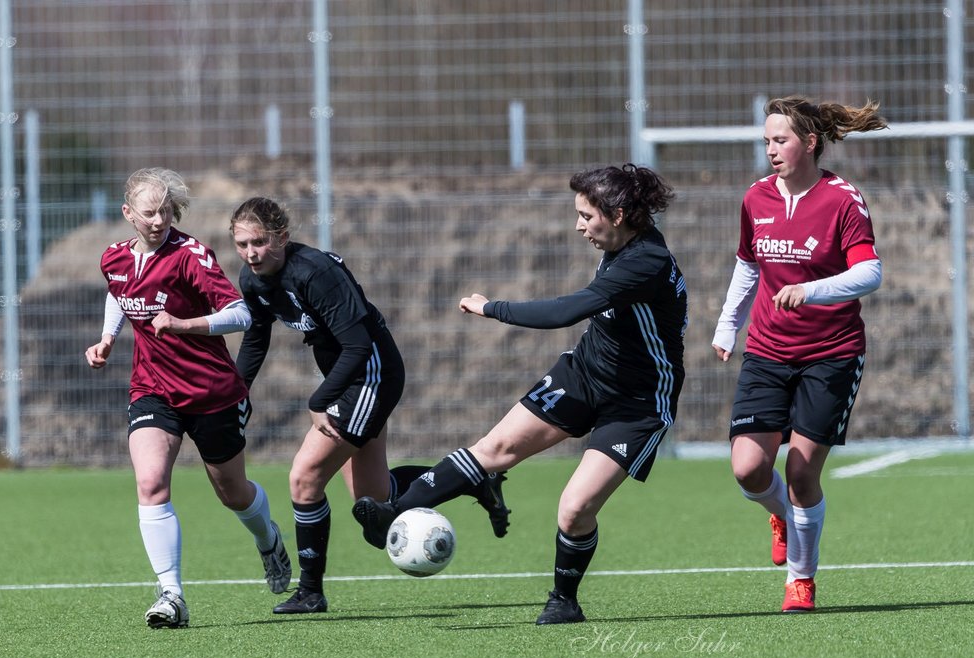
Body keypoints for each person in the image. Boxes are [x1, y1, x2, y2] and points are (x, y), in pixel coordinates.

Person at [353, 164, 686, 625]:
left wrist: (493, 308)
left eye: (586, 216)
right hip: (584, 373)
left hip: (638, 402)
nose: (578, 226)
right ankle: (393, 512)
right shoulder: (619, 240)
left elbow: (567, 310)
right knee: (493, 448)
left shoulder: (645, 262)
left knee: (574, 509)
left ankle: (564, 600)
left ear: (619, 213)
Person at [206, 197, 509, 615]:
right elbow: (257, 338)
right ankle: (472, 479)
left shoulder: (315, 273)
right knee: (374, 501)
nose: (250, 253)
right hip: (348, 378)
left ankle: (311, 591)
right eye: (241, 244)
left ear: (282, 237)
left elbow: (358, 343)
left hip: (371, 375)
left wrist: (320, 399)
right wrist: (236, 391)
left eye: (258, 242)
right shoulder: (254, 280)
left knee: (305, 477)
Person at [84, 167, 291, 629]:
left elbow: (240, 314)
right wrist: (107, 338)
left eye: (167, 211)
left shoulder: (191, 256)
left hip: (211, 391)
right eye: (149, 212)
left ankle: (268, 540)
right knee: (151, 481)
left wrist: (184, 325)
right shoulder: (114, 258)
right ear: (128, 214)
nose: (159, 220)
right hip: (153, 389)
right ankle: (171, 594)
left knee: (233, 494)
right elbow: (119, 293)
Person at [712, 96, 886, 613]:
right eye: (766, 140)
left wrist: (813, 291)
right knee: (747, 468)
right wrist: (728, 326)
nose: (770, 150)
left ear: (809, 143)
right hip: (767, 350)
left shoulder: (842, 199)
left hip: (830, 353)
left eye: (780, 139)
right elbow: (748, 266)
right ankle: (782, 515)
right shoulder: (756, 198)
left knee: (802, 473)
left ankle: (801, 580)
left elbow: (869, 273)